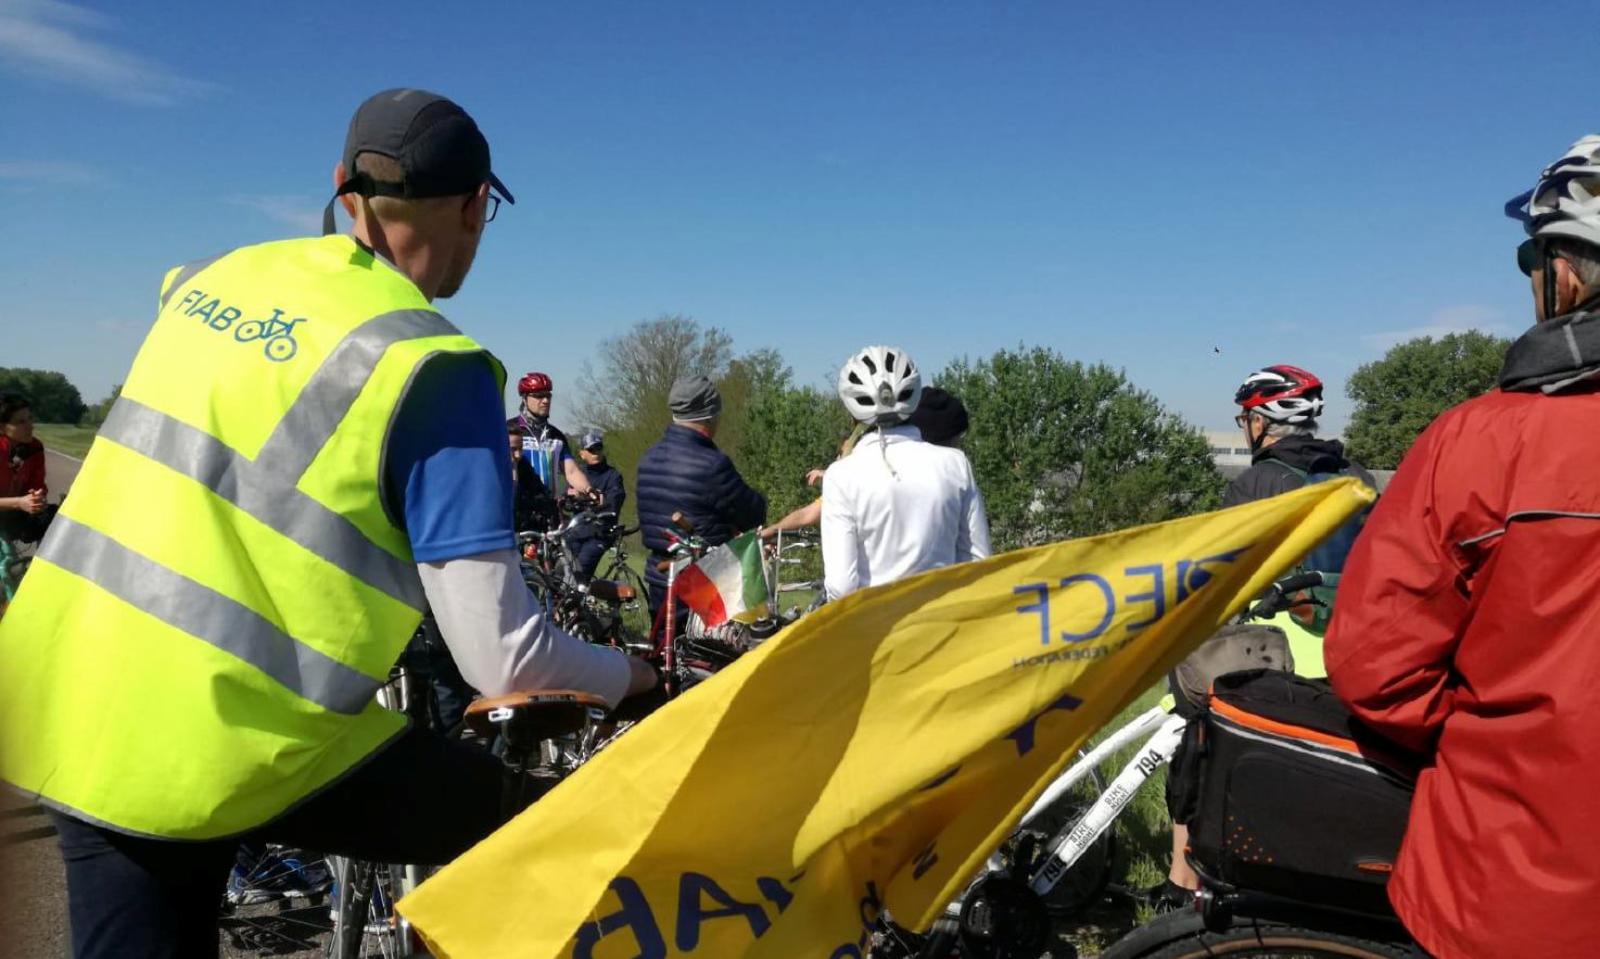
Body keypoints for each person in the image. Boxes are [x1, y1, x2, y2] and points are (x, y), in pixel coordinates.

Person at [0, 88, 654, 959]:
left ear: (345, 192)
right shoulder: (435, 367)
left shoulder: (208, 281)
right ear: (473, 207)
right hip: (214, 740)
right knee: (525, 819)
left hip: (63, 692)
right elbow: (506, 658)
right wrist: (638, 677)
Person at [1326, 134, 1600, 959]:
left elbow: (1376, 662)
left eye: (1532, 256)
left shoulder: (1483, 443)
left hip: (1509, 888)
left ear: (1569, 270)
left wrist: (1489, 737)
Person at [1152, 364, 1375, 911]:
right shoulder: (1358, 477)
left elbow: (1223, 574)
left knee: (1195, 755)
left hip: (1266, 652)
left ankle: (1181, 887)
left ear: (1263, 420)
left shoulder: (1256, 483)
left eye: (1246, 416)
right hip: (1343, 651)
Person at [820, 347, 990, 600]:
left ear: (851, 410)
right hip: (942, 625)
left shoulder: (840, 476)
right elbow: (979, 561)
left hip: (876, 630)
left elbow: (841, 586)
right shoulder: (956, 464)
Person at [760, 387, 974, 541]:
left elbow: (812, 513)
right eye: (956, 441)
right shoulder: (955, 471)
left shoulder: (865, 473)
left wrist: (773, 530)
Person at [635, 375, 767, 618]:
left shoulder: (648, 459)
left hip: (659, 578)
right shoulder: (712, 465)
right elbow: (753, 513)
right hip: (703, 581)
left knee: (663, 652)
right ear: (710, 414)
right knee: (715, 654)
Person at [508, 371, 593, 501]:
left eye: (548, 396)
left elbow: (571, 472)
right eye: (539, 396)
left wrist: (589, 490)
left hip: (548, 511)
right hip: (517, 509)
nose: (545, 401)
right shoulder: (509, 430)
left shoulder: (556, 436)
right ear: (524, 399)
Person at [564, 430, 625, 580]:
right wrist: (572, 499)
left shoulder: (613, 476)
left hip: (600, 533)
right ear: (582, 454)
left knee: (581, 570)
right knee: (563, 569)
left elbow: (613, 503)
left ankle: (581, 597)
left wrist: (592, 501)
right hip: (576, 532)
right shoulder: (577, 476)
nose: (596, 453)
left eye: (598, 448)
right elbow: (567, 503)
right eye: (591, 450)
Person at [0, 394, 53, 544]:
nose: (30, 425)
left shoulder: (35, 448)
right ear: (2, 427)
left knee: (55, 518)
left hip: (12, 511)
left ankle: (44, 565)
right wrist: (18, 502)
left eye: (30, 418)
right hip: (11, 507)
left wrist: (36, 497)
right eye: (20, 422)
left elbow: (36, 485)